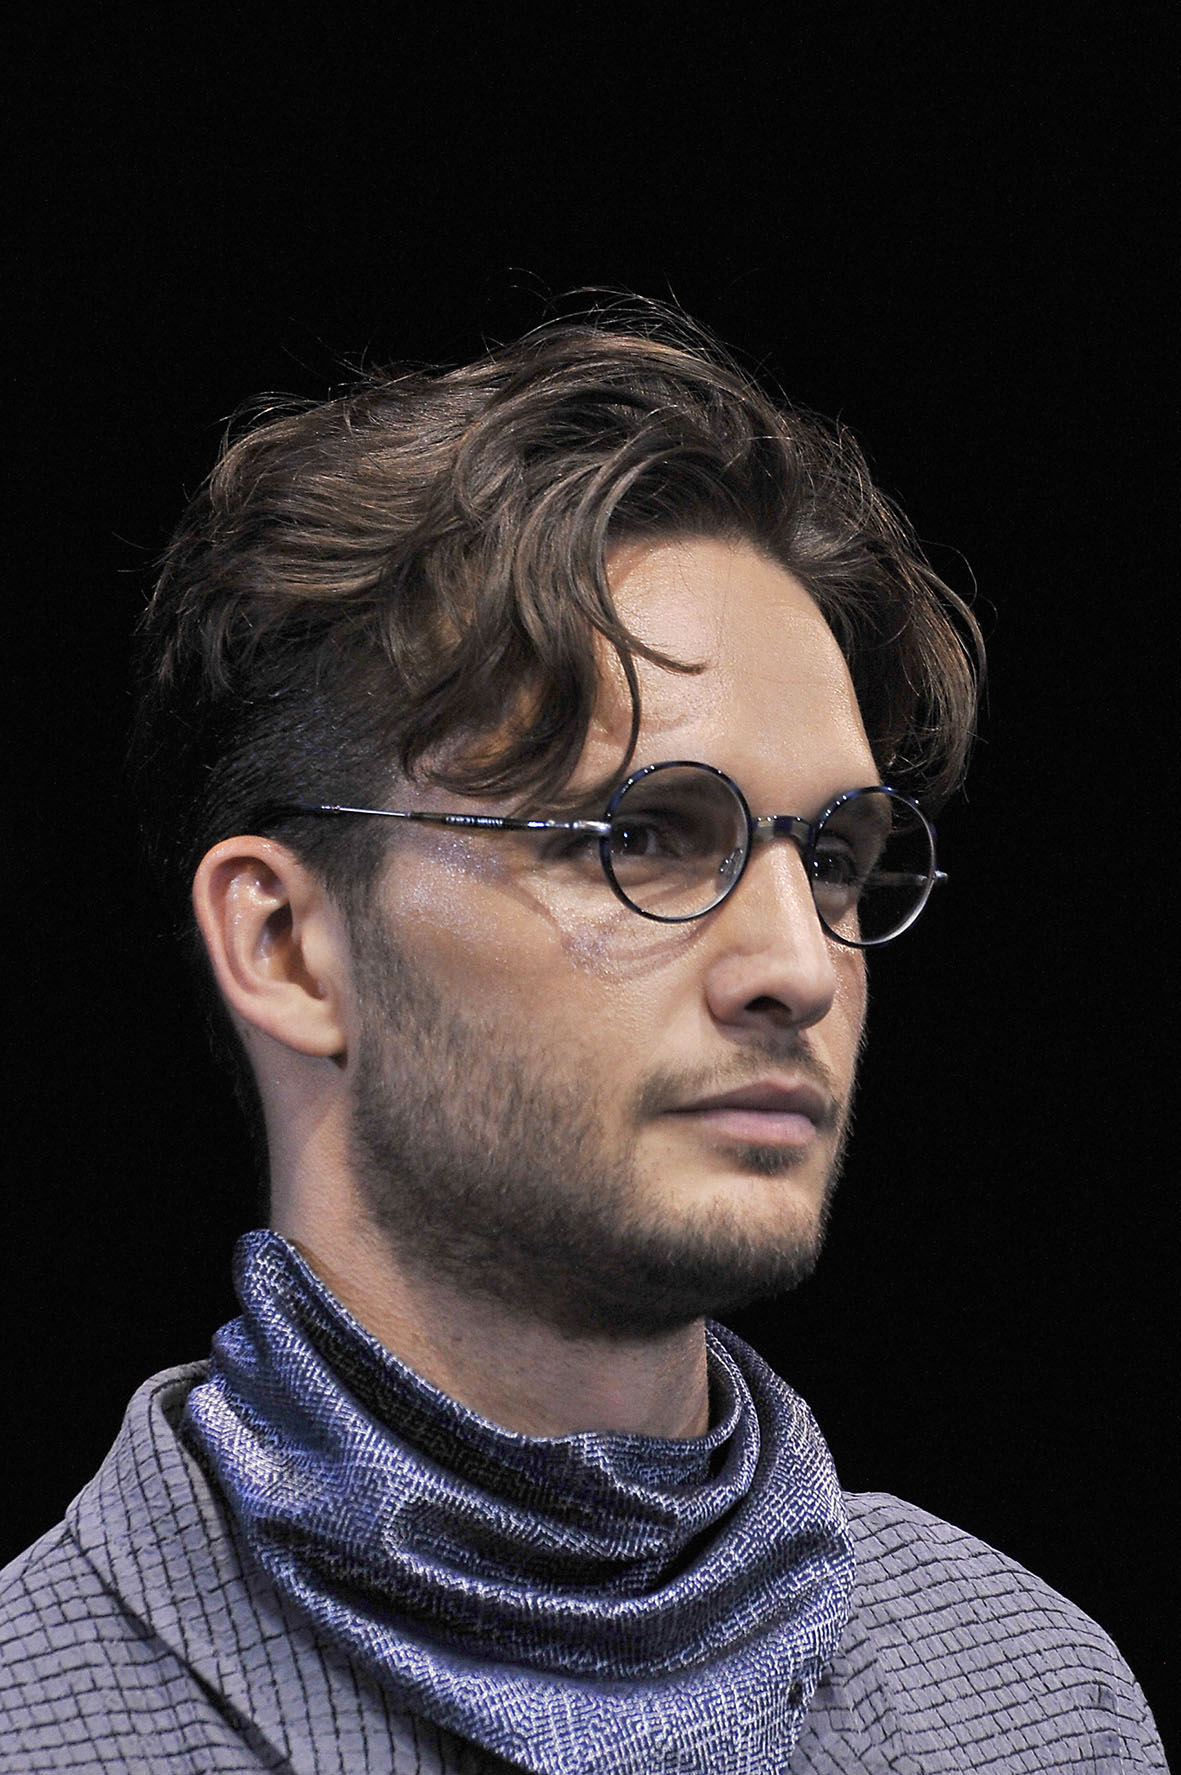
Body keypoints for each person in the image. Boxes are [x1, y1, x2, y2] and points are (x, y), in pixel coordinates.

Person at [0, 307, 1164, 1774]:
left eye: (832, 858)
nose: (799, 967)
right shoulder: (39, 1724)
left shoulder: (1028, 1701)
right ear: (287, 945)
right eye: (642, 836)